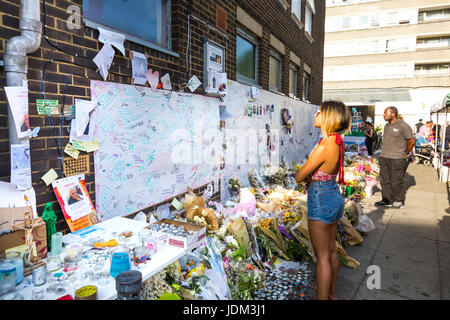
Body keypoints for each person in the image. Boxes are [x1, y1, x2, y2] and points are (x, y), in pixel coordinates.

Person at [295, 100, 351, 300]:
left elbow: (300, 176)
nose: (315, 116)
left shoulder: (325, 145)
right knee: (331, 250)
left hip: (321, 197)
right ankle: (332, 294)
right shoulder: (336, 141)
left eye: (318, 113)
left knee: (322, 257)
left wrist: (303, 173)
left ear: (328, 117)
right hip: (334, 194)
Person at [375, 107, 416, 209]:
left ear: (393, 114)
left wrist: (406, 152)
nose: (384, 115)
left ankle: (398, 200)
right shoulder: (386, 126)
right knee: (384, 180)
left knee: (396, 180)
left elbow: (411, 141)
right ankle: (386, 200)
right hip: (384, 157)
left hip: (397, 158)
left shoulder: (403, 126)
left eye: (385, 113)